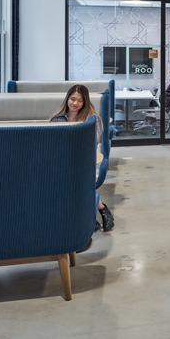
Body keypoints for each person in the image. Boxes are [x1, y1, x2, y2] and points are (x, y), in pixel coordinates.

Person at [50, 85, 115, 234]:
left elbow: (92, 144)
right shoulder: (56, 119)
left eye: (80, 101)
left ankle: (92, 218)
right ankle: (100, 211)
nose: (75, 103)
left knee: (78, 181)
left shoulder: (91, 119)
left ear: (85, 102)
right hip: (61, 161)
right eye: (73, 99)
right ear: (67, 98)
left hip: (83, 159)